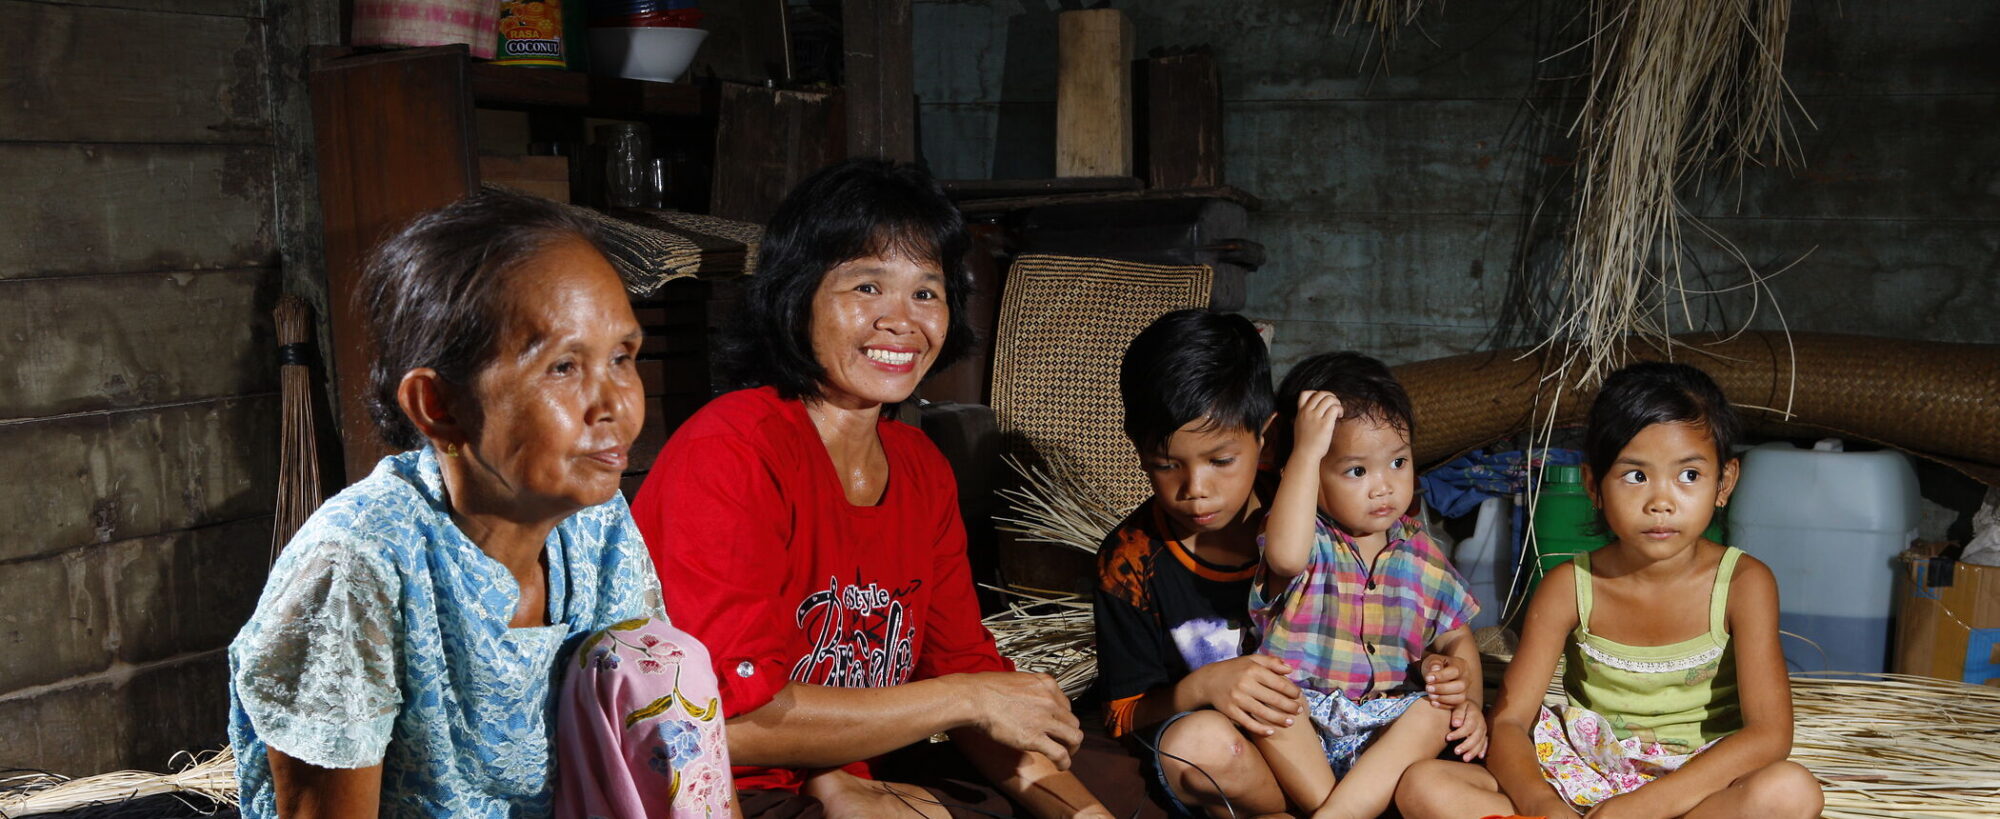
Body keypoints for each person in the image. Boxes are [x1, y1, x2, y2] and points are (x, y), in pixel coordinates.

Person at [631, 158, 1148, 818]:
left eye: (925, 293)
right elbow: (728, 718)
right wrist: (966, 699)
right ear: (798, 295)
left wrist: (1083, 813)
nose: (901, 320)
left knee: (1131, 786)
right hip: (723, 786)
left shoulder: (919, 466)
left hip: (862, 766)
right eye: (867, 286)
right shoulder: (735, 448)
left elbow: (965, 669)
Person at [226, 189, 731, 818]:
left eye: (623, 358)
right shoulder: (358, 566)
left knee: (661, 662)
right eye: (563, 367)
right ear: (439, 407)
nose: (615, 406)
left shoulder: (598, 526)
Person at [1397, 362, 1822, 818]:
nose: (1661, 500)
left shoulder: (1743, 583)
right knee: (1425, 785)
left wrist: (1640, 808)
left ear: (1725, 483)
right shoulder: (1570, 587)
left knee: (1791, 791)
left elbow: (1769, 734)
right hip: (1582, 777)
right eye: (1636, 475)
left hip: (1695, 792)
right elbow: (1510, 721)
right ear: (1592, 486)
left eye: (1689, 476)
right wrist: (1542, 806)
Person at [1250, 352, 1485, 819]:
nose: (1383, 487)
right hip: (1304, 727)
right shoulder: (1307, 538)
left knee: (1435, 711)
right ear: (1308, 473)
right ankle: (1342, 811)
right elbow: (1284, 557)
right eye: (1357, 471)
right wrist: (1305, 452)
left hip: (1383, 732)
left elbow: (1457, 635)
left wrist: (1470, 702)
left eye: (1398, 462)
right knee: (1264, 699)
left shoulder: (1420, 553)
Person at [1092, 308, 1304, 818]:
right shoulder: (1129, 562)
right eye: (1165, 465)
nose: (1195, 490)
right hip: (1234, 762)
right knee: (1200, 746)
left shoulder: (1308, 515)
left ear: (1267, 441)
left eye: (1221, 461)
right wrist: (1201, 687)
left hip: (1325, 731)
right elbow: (1123, 714)